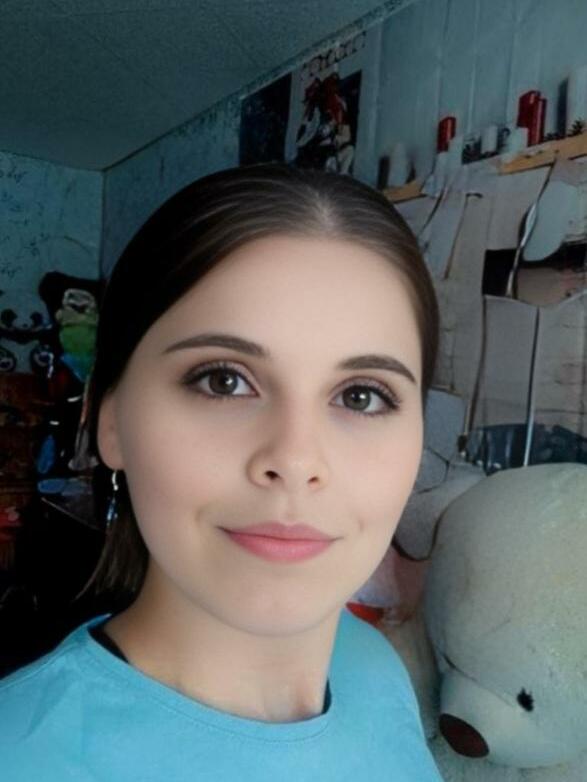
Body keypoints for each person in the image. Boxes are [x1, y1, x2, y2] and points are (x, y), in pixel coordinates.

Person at [0, 162, 444, 781]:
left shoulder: (373, 670)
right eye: (223, 381)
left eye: (361, 395)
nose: (295, 460)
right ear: (110, 420)